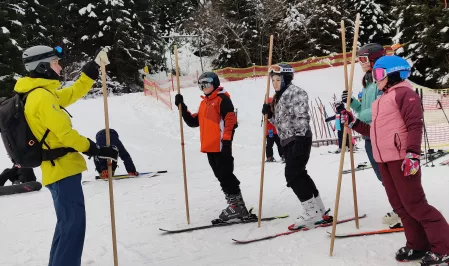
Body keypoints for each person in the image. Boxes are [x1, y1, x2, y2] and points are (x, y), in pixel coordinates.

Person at [15, 45, 119, 266]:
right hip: (61, 170)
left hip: (59, 170)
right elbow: (65, 134)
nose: (60, 67)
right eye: (55, 62)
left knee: (67, 226)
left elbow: (70, 94)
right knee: (72, 228)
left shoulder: (42, 93)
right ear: (42, 67)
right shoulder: (41, 97)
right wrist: (96, 149)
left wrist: (91, 69)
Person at [342, 55, 449, 265]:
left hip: (402, 159)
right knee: (400, 207)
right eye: (375, 74)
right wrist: (353, 122)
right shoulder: (382, 99)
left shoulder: (405, 94)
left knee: (416, 205)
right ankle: (417, 245)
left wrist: (412, 154)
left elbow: (415, 125)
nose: (376, 78)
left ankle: (444, 247)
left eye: (379, 74)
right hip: (384, 160)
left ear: (394, 73)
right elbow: (374, 132)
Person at [174, 71, 249, 222]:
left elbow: (230, 121)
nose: (203, 87)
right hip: (210, 147)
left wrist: (227, 142)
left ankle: (237, 206)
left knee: (226, 175)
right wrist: (182, 106)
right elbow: (193, 122)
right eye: (201, 85)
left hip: (221, 146)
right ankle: (235, 205)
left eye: (206, 84)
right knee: (221, 176)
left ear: (214, 84)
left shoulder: (222, 99)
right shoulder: (204, 103)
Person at [342, 43, 401, 227]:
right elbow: (364, 109)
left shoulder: (381, 81)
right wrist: (351, 102)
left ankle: (402, 210)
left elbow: (378, 109)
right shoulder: (368, 83)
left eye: (363, 59)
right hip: (369, 135)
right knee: (382, 176)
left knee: (390, 176)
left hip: (382, 135)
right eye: (359, 59)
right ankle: (399, 207)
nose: (360, 63)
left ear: (374, 59)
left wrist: (357, 116)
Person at [261, 63, 327, 230]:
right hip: (287, 140)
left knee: (292, 174)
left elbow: (301, 117)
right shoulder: (280, 96)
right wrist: (269, 115)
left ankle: (311, 212)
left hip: (299, 138)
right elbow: (281, 123)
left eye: (278, 79)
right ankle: (319, 209)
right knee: (300, 173)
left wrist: (299, 137)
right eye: (273, 80)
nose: (274, 83)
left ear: (286, 79)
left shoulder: (295, 92)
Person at [265, 97, 284, 162]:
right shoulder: (266, 110)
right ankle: (270, 157)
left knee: (279, 144)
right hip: (270, 130)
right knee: (270, 144)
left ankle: (282, 155)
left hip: (275, 130)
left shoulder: (276, 109)